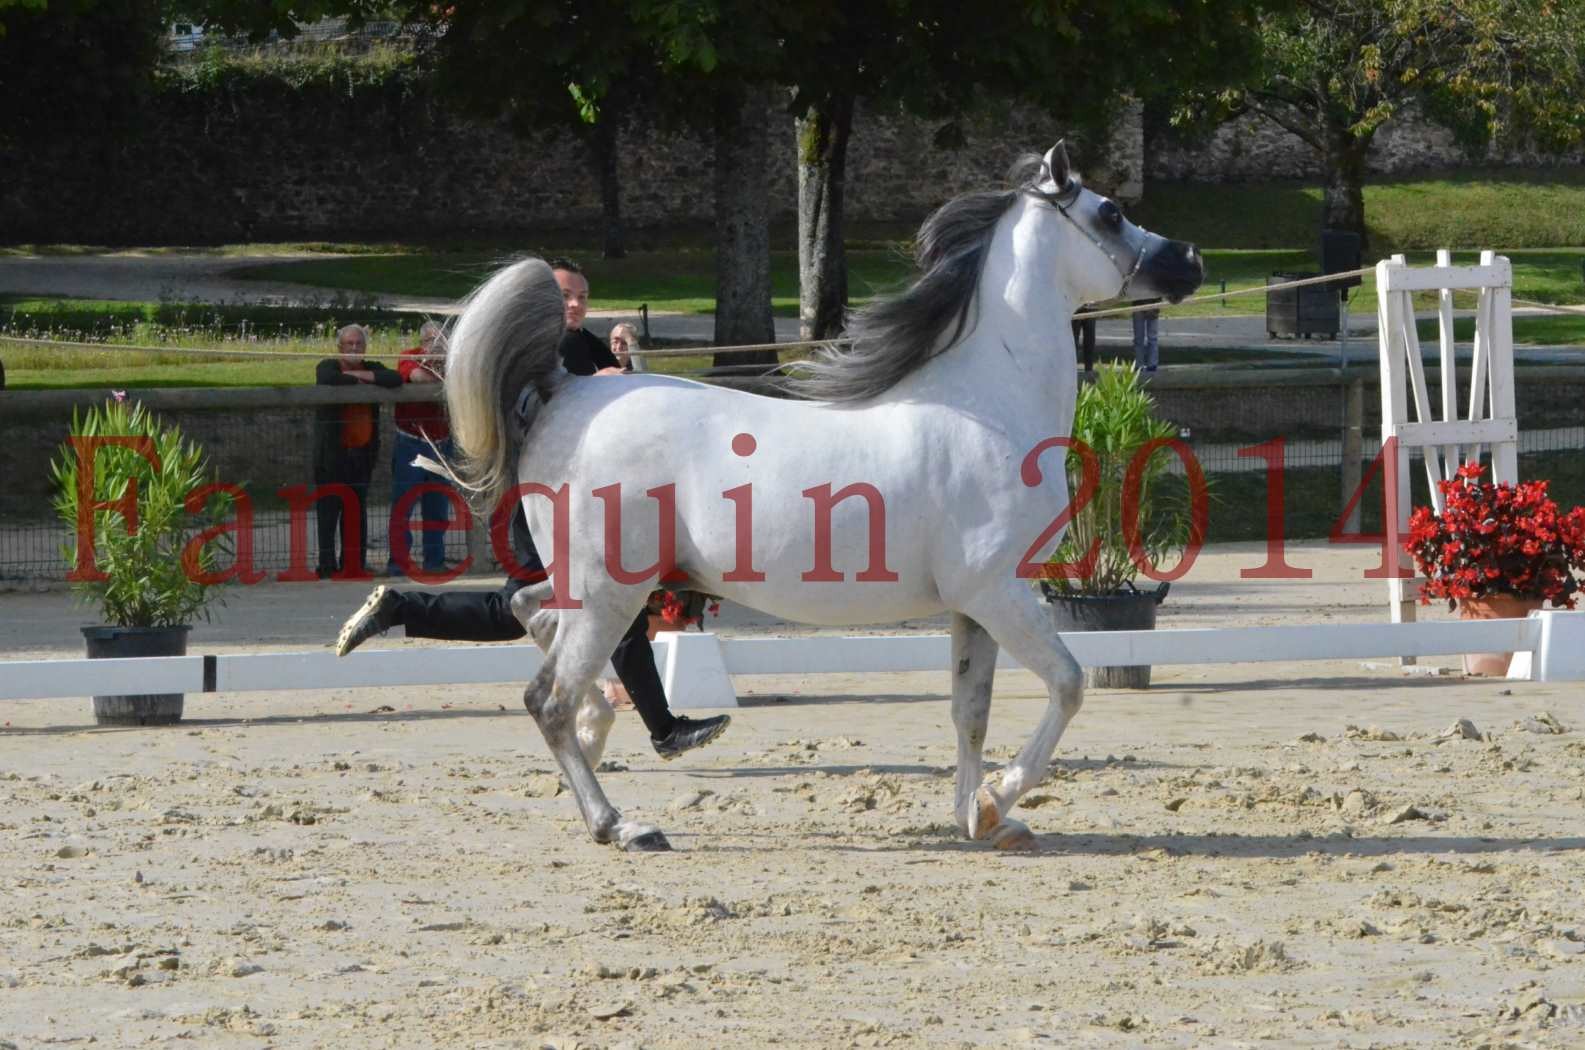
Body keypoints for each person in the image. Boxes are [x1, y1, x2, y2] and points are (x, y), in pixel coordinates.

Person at [334, 259, 729, 760]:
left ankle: (664, 729)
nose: (576, 304)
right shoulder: (544, 351)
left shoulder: (583, 343)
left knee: (602, 609)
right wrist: (602, 381)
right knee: (523, 610)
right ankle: (399, 607)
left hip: (579, 500)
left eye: (583, 296)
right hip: (540, 501)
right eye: (566, 296)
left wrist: (624, 367)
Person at [314, 324, 401, 579]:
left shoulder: (372, 366)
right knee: (328, 511)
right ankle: (327, 566)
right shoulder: (328, 366)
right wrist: (362, 379)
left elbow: (394, 379)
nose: (354, 349)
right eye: (349, 344)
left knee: (356, 511)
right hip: (331, 455)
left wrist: (365, 376)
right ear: (339, 347)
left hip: (361, 453)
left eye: (358, 345)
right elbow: (329, 379)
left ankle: (354, 563)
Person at [388, 321, 454, 576]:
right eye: (430, 342)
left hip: (441, 444)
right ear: (422, 342)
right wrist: (438, 368)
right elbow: (418, 378)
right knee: (404, 504)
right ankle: (399, 564)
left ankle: (434, 562)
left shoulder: (454, 361)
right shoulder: (409, 357)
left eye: (440, 343)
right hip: (411, 442)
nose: (435, 347)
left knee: (437, 505)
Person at [1131, 298, 1161, 373]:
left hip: (1153, 306)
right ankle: (1139, 365)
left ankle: (1152, 365)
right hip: (1138, 306)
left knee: (1152, 338)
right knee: (1139, 339)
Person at [1071, 305, 1097, 373]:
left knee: (1090, 339)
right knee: (1073, 341)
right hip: (1075, 306)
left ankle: (1089, 369)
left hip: (1090, 305)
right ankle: (1072, 369)